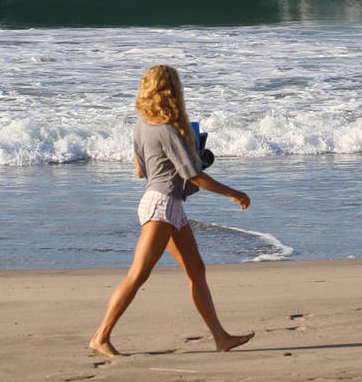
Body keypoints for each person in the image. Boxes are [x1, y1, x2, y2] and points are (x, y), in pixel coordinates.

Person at [90, 65, 254, 357]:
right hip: (162, 205)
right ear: (172, 91)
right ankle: (101, 336)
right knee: (137, 274)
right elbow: (194, 176)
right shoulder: (167, 130)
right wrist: (233, 193)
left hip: (166, 203)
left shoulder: (143, 124)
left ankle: (220, 337)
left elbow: (140, 170)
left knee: (196, 270)